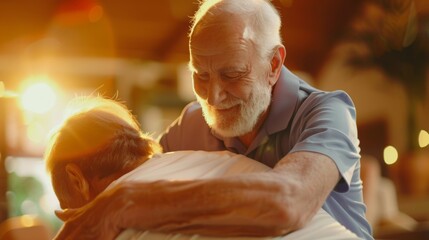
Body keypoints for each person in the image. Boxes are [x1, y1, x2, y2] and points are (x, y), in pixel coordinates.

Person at [54, 0, 372, 239]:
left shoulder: (327, 112)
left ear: (274, 64)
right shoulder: (193, 121)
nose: (213, 97)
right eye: (200, 76)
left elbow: (289, 202)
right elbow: (143, 173)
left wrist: (124, 201)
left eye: (232, 74)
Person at [47, 96, 360, 240]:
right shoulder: (215, 159)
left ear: (77, 180)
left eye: (69, 211)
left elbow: (288, 202)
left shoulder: (113, 227)